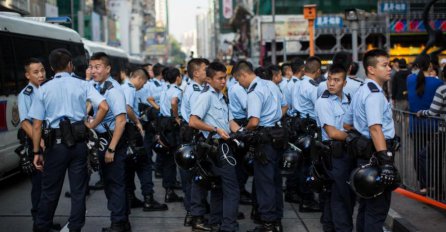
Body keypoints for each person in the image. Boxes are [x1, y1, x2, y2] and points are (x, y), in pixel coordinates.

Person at [29, 48, 109, 232]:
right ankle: (75, 228)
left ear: (51, 67)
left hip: (55, 146)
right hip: (79, 143)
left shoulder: (43, 89)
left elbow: (36, 125)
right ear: (70, 65)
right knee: (78, 191)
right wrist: (91, 125)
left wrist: (36, 152)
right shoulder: (83, 85)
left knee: (49, 191)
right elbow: (104, 106)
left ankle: (41, 227)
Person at [343, 49, 397, 232]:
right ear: (371, 69)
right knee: (377, 208)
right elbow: (375, 128)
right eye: (384, 65)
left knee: (366, 206)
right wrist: (385, 160)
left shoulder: (361, 90)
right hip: (377, 154)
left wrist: (362, 137)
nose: (389, 68)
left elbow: (347, 124)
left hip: (365, 154)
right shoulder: (373, 94)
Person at [233, 60, 288, 232]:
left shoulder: (254, 91)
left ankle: (268, 224)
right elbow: (285, 106)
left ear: (243, 75)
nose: (239, 84)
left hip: (264, 141)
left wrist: (241, 130)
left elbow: (254, 122)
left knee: (264, 183)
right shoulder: (271, 84)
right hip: (278, 136)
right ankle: (277, 220)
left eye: (238, 80)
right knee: (276, 181)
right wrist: (274, 119)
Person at [190, 61, 242, 232]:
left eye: (225, 78)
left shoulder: (222, 96)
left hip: (225, 145)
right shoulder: (206, 96)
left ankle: (216, 222)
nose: (223, 81)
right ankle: (229, 226)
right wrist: (215, 129)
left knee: (219, 187)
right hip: (215, 147)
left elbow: (230, 121)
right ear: (209, 80)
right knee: (232, 189)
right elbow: (193, 121)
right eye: (219, 78)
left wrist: (241, 131)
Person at [88, 52, 131, 232]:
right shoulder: (98, 87)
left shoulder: (113, 90)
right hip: (104, 140)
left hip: (114, 141)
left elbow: (121, 121)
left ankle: (118, 223)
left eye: (97, 67)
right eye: (91, 67)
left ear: (107, 69)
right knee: (110, 181)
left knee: (115, 182)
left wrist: (111, 149)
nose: (93, 71)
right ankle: (122, 221)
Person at [17, 58, 60, 229]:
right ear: (27, 75)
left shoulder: (45, 89)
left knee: (48, 184)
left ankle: (46, 220)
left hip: (48, 141)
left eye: (42, 70)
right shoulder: (26, 94)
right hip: (37, 144)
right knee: (39, 185)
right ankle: (39, 222)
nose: (41, 74)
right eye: (36, 72)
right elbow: (25, 123)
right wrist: (39, 141)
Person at [121, 69, 169, 212]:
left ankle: (131, 197)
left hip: (125, 131)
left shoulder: (122, 87)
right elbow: (127, 108)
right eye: (143, 82)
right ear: (139, 79)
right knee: (144, 165)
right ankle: (149, 199)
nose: (143, 86)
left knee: (129, 166)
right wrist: (138, 122)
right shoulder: (129, 89)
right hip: (132, 131)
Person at [315, 65, 355, 232]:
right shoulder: (323, 101)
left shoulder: (348, 99)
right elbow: (332, 132)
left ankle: (330, 226)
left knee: (337, 195)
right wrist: (355, 138)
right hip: (333, 154)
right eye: (329, 79)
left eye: (336, 80)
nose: (331, 83)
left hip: (347, 152)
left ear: (344, 83)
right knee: (341, 196)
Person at [180, 58, 211, 230]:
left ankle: (194, 213)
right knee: (197, 177)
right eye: (206, 69)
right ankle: (195, 215)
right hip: (194, 135)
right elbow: (196, 119)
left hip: (194, 135)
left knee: (195, 177)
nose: (209, 72)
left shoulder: (197, 88)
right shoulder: (195, 90)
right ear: (196, 73)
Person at [407, 54, 443, 194]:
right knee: (435, 157)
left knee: (418, 154)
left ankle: (423, 185)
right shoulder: (438, 83)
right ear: (430, 66)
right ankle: (436, 186)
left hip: (416, 125)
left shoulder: (410, 79)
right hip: (434, 125)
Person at [158, 67, 184, 203]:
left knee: (167, 158)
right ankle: (173, 188)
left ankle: (169, 189)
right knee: (177, 155)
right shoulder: (176, 91)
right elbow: (174, 102)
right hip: (171, 124)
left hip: (163, 122)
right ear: (177, 78)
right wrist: (176, 117)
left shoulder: (164, 90)